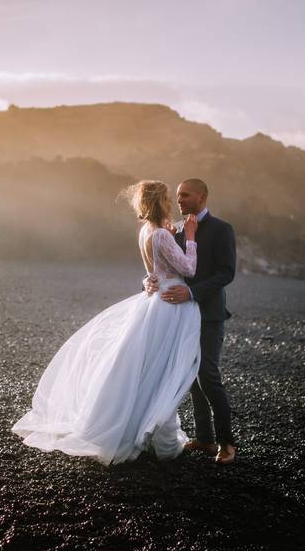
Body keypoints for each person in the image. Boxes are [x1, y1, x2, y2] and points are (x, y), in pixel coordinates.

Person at [12, 180, 201, 465]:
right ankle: (157, 436)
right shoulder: (162, 234)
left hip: (153, 301)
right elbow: (188, 268)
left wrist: (153, 274)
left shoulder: (146, 232)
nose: (171, 203)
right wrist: (190, 236)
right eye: (166, 198)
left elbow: (154, 271)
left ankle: (145, 429)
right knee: (161, 372)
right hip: (169, 305)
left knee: (144, 370)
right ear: (159, 201)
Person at [145, 178, 237, 465]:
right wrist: (149, 282)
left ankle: (227, 443)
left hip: (208, 313)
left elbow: (226, 272)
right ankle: (205, 439)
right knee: (190, 375)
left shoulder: (222, 229)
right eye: (178, 195)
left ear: (202, 196)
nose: (180, 199)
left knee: (207, 374)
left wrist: (193, 292)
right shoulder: (176, 229)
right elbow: (165, 266)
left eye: (186, 195)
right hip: (180, 315)